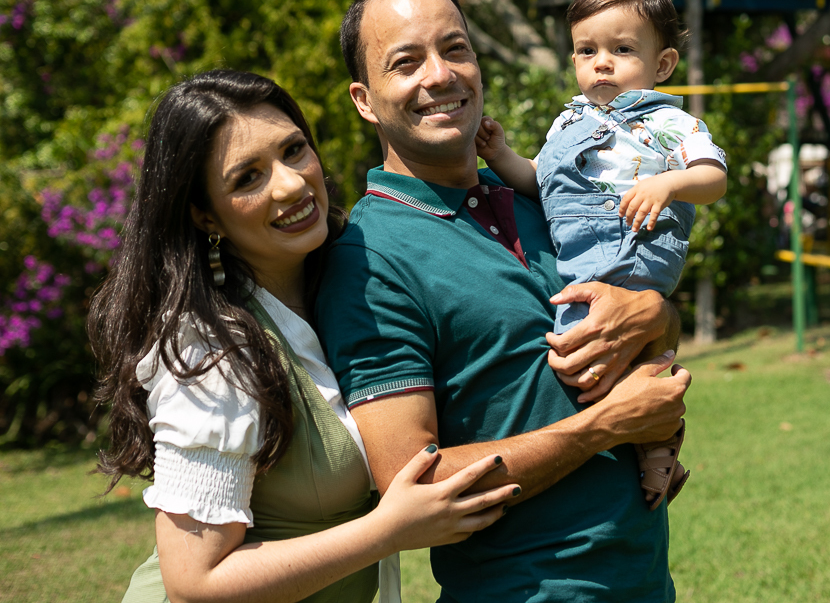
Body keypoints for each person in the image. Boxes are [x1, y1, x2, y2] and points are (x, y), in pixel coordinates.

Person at [318, 0, 692, 603]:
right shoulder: (369, 255)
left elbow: (639, 312)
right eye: (406, 62)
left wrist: (656, 314)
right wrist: (604, 427)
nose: (439, 74)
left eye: (454, 48)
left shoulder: (541, 199)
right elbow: (414, 484)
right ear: (364, 99)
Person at [89, 70, 522, 603]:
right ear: (205, 216)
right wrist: (388, 530)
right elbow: (194, 582)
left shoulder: (351, 287)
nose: (291, 183)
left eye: (293, 150)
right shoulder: (212, 350)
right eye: (247, 178)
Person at [474, 0, 727, 508]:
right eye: (586, 50)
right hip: (581, 261)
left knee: (586, 351)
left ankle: (656, 444)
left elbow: (713, 178)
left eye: (622, 49)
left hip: (634, 247)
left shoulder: (668, 122)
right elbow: (539, 181)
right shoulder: (568, 122)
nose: (602, 63)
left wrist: (668, 182)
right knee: (598, 356)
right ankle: (651, 445)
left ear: (662, 66)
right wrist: (501, 158)